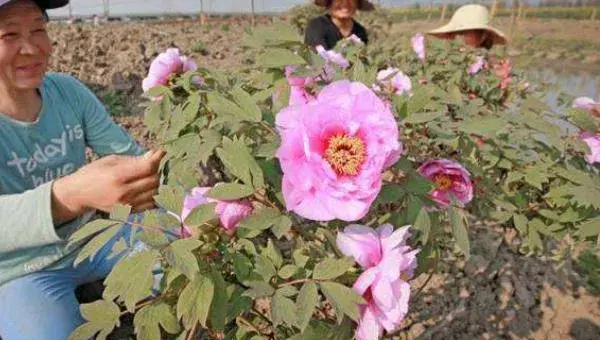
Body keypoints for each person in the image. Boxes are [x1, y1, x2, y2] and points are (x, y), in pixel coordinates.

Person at [0, 0, 164, 339]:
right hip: (19, 269)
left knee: (180, 251)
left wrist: (188, 194)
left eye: (38, 29)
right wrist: (69, 196)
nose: (30, 48)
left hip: (93, 239)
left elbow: (128, 157)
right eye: (10, 34)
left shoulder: (68, 93)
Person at [427, 4, 507, 50]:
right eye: (452, 33)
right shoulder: (444, 64)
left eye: (462, 33)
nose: (457, 37)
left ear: (483, 35)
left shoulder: (490, 70)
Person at [304, 0, 373, 50]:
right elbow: (319, 60)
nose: (345, 3)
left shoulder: (360, 32)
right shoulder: (317, 26)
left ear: (357, 4)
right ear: (330, 3)